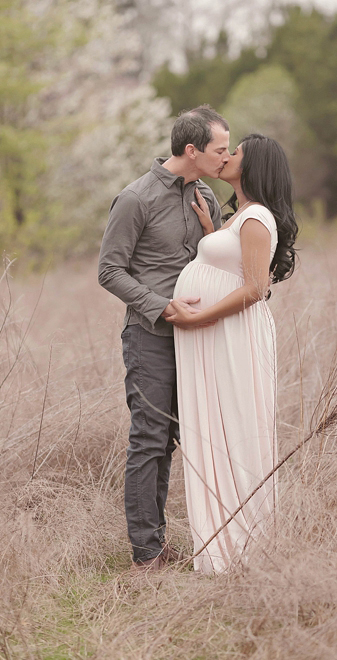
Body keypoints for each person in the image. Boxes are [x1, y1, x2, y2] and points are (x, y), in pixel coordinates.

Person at [98, 105, 229, 572]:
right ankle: (146, 556)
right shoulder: (135, 198)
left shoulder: (206, 196)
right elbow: (109, 271)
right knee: (148, 440)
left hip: (195, 338)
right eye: (219, 149)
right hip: (149, 335)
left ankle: (157, 543)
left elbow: (210, 258)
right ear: (191, 149)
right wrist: (160, 304)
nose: (225, 157)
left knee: (171, 439)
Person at [166, 133, 299, 573]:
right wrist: (212, 233)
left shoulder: (258, 216)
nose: (225, 157)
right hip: (217, 334)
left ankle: (244, 547)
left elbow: (257, 287)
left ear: (253, 164)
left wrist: (199, 317)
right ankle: (221, 539)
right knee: (215, 427)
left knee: (236, 426)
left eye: (234, 152)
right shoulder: (241, 214)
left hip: (232, 332)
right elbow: (233, 264)